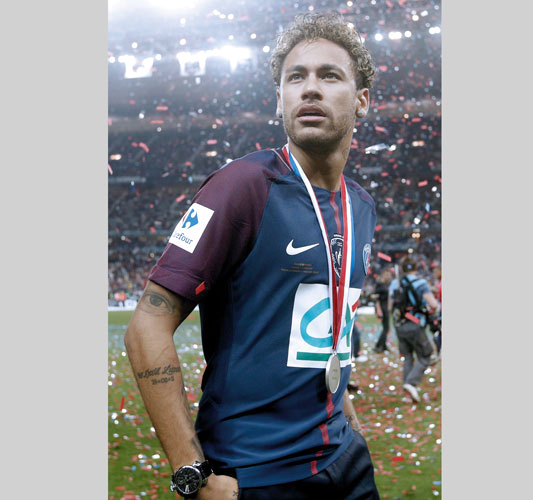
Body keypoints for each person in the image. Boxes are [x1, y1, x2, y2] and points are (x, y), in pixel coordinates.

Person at [124, 12, 380, 500]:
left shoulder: (361, 207)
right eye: (295, 78)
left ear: (361, 100)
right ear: (280, 99)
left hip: (345, 459)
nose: (310, 88)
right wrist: (192, 473)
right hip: (256, 471)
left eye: (329, 76)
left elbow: (328, 326)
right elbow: (146, 327)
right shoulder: (241, 187)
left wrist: (346, 415)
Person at [388, 256, 439, 403]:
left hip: (399, 325)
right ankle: (411, 383)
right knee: (425, 355)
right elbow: (433, 304)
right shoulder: (420, 283)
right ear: (416, 268)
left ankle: (408, 395)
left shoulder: (394, 284)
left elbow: (390, 307)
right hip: (415, 324)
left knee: (408, 357)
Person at [371, 269, 393, 353]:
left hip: (385, 307)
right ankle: (378, 346)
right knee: (386, 328)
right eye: (388, 275)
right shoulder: (380, 284)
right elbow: (375, 298)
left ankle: (383, 346)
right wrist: (379, 310)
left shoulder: (385, 284)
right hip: (382, 308)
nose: (389, 277)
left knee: (386, 328)